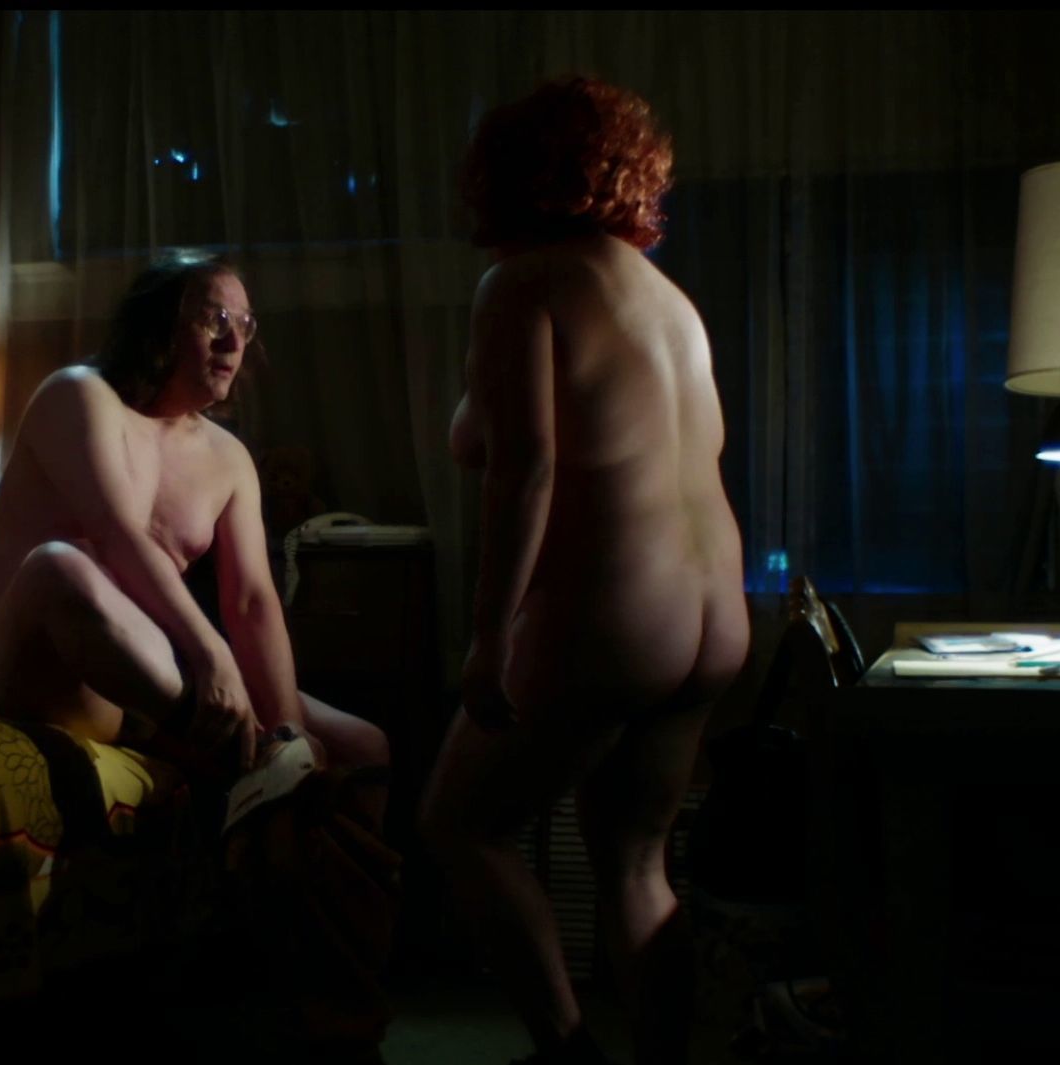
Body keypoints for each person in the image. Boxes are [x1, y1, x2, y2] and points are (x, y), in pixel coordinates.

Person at [420, 76, 749, 1065]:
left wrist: (489, 639)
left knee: (460, 826)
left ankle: (565, 1056)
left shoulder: (524, 285)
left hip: (619, 612)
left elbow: (523, 469)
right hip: (712, 611)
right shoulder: (668, 302)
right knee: (637, 863)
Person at [0, 256, 389, 798]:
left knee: (365, 747)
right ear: (159, 326)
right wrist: (213, 656)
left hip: (141, 678)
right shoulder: (78, 395)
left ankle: (276, 767)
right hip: (38, 666)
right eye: (216, 321)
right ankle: (252, 765)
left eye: (245, 325)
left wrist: (290, 729)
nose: (233, 343)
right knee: (58, 566)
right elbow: (117, 534)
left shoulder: (227, 457)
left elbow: (251, 602)